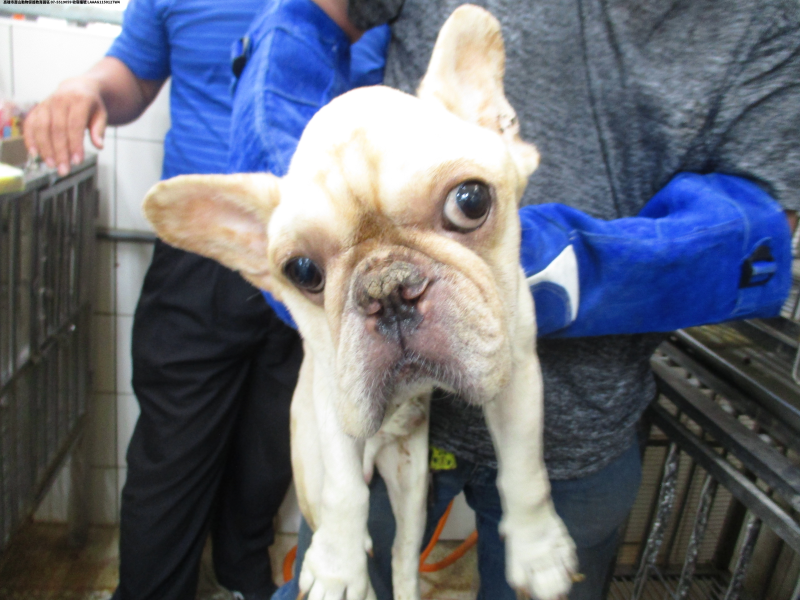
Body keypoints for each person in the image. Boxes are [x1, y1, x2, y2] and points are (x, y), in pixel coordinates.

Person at [228, 1, 799, 599]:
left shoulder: (769, 18)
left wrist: (595, 266)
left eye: (468, 205)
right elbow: (312, 15)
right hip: (378, 420)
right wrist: (302, 223)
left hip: (578, 423)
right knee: (341, 570)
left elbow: (761, 228)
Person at [23, 2, 305, 599]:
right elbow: (135, 71)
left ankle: (240, 572)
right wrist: (88, 85)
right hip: (204, 247)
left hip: (318, 258)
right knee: (174, 456)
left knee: (273, 447)